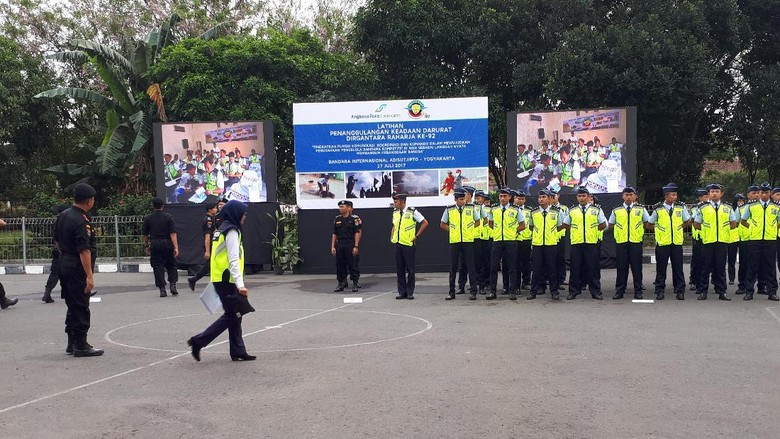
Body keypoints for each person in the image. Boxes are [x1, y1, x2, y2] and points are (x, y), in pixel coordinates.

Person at [188, 200, 256, 362]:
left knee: (236, 315)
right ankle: (198, 341)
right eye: (243, 214)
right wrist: (241, 285)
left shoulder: (221, 229)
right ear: (236, 214)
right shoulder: (231, 231)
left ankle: (238, 350)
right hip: (227, 279)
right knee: (232, 315)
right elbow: (233, 259)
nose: (245, 217)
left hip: (221, 278)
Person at [53, 183, 102, 357]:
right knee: (81, 305)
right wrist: (89, 275)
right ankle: (81, 345)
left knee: (72, 304)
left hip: (64, 262)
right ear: (90, 200)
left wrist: (66, 256)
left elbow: (57, 241)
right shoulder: (82, 220)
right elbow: (84, 249)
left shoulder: (64, 215)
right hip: (77, 266)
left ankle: (71, 342)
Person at [693, 183, 737, 301]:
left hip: (722, 241)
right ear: (708, 194)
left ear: (721, 193)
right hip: (707, 241)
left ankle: (722, 292)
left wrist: (723, 230)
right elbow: (696, 224)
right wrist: (709, 231)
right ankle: (703, 291)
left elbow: (733, 223)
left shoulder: (727, 208)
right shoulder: (703, 208)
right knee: (705, 268)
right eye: (712, 192)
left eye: (717, 191)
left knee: (720, 268)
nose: (714, 193)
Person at [647, 183, 691, 300]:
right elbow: (649, 224)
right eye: (673, 195)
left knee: (678, 268)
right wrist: (659, 230)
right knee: (661, 269)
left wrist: (679, 227)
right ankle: (659, 290)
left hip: (676, 242)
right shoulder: (659, 209)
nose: (675, 197)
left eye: (676, 194)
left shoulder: (680, 208)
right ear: (666, 196)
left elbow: (687, 221)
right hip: (663, 243)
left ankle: (680, 290)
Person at [562, 187, 607, 300]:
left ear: (588, 197)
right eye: (579, 196)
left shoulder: (596, 210)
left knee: (593, 269)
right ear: (577, 197)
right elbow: (566, 224)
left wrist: (592, 231)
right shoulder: (572, 210)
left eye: (584, 196)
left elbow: (603, 224)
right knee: (575, 268)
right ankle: (574, 291)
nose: (581, 198)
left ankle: (596, 291)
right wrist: (576, 230)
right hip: (576, 243)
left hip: (591, 243)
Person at [739, 183, 780, 301]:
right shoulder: (752, 206)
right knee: (752, 266)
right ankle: (749, 291)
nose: (764, 195)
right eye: (762, 192)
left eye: (767, 192)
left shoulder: (776, 206)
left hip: (770, 240)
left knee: (770, 267)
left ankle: (772, 292)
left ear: (770, 194)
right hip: (754, 240)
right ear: (759, 193)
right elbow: (743, 221)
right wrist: (753, 228)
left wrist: (772, 228)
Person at [609, 187, 649, 300]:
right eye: (626, 194)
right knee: (621, 268)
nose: (628, 197)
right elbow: (611, 224)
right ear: (622, 196)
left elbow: (647, 222)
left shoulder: (640, 209)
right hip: (621, 242)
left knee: (637, 268)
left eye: (631, 194)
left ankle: (638, 291)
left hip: (635, 242)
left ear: (635, 196)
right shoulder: (616, 210)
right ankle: (619, 291)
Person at [486, 188, 526, 300]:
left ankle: (512, 291)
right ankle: (492, 292)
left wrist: (513, 232)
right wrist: (498, 232)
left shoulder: (515, 209)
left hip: (510, 241)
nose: (502, 198)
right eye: (501, 196)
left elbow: (523, 225)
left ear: (509, 197)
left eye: (505, 196)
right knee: (493, 267)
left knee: (512, 267)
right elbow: (490, 223)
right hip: (497, 241)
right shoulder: (494, 209)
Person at [441, 189, 480, 300]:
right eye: (461, 199)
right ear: (456, 199)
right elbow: (442, 224)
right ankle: (451, 291)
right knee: (453, 267)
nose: (463, 201)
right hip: (455, 241)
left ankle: (473, 292)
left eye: (464, 199)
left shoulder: (471, 208)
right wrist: (452, 230)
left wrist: (470, 229)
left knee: (471, 266)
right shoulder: (450, 209)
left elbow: (478, 221)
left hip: (468, 241)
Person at [527, 189, 564, 300]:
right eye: (540, 197)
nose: (541, 199)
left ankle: (554, 291)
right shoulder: (534, 212)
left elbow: (560, 226)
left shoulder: (556, 212)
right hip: (538, 244)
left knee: (552, 269)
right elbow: (531, 226)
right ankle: (533, 291)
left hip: (551, 244)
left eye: (544, 197)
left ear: (549, 199)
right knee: (537, 269)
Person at [390, 193, 428, 300]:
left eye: (396, 202)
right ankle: (402, 292)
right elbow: (394, 225)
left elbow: (425, 223)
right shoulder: (395, 212)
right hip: (398, 244)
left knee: (410, 269)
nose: (394, 204)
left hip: (408, 244)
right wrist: (392, 236)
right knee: (399, 269)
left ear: (402, 202)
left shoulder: (412, 211)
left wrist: (417, 236)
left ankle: (410, 291)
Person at [142, 198, 179, 297]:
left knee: (158, 267)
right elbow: (173, 233)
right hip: (167, 244)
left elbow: (145, 235)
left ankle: (162, 289)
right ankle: (173, 285)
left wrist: (146, 245)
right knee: (171, 266)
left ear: (152, 206)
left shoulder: (148, 218)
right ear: (163, 206)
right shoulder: (168, 217)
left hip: (155, 245)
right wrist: (176, 247)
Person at [41, 204, 70, 303]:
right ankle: (82, 291)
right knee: (73, 272)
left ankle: (47, 293)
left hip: (58, 250)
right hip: (64, 250)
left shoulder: (57, 222)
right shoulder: (66, 222)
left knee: (56, 273)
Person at [332, 200, 362, 292]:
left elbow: (358, 232)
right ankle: (341, 283)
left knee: (352, 264)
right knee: (340, 264)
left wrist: (356, 246)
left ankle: (355, 283)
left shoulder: (355, 219)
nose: (340, 208)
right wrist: (333, 246)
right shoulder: (337, 219)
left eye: (343, 206)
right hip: (340, 244)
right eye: (340, 207)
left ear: (349, 207)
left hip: (350, 243)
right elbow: (334, 233)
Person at [187, 203, 219, 291]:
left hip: (213, 244)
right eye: (215, 208)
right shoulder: (208, 220)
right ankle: (194, 279)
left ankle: (194, 279)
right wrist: (207, 251)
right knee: (210, 265)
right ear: (210, 210)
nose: (216, 209)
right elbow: (207, 236)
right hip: (210, 245)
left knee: (210, 266)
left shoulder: (212, 219)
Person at [688, 188, 709, 290]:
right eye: (705, 196)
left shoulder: (709, 208)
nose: (706, 198)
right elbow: (692, 222)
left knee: (705, 261)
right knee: (696, 261)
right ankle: (693, 280)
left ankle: (702, 283)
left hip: (707, 237)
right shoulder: (695, 209)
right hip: (697, 238)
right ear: (700, 198)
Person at [474, 191, 492, 294]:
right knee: (478, 262)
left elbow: (490, 222)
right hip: (476, 237)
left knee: (487, 262)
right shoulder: (473, 208)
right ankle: (479, 283)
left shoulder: (490, 209)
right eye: (476, 198)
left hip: (487, 237)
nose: (478, 199)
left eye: (479, 198)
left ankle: (487, 282)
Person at [514, 191, 533, 291]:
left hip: (526, 240)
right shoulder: (511, 210)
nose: (520, 200)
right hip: (515, 239)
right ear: (514, 199)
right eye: (518, 198)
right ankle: (516, 285)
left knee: (526, 262)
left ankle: (526, 282)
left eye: (522, 199)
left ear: (524, 200)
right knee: (516, 263)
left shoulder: (529, 211)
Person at [728, 194, 746, 288]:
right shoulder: (730, 209)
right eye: (738, 201)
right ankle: (731, 278)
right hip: (732, 238)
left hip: (742, 237)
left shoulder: (744, 209)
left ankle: (742, 279)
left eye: (742, 201)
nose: (740, 203)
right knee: (731, 259)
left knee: (743, 260)